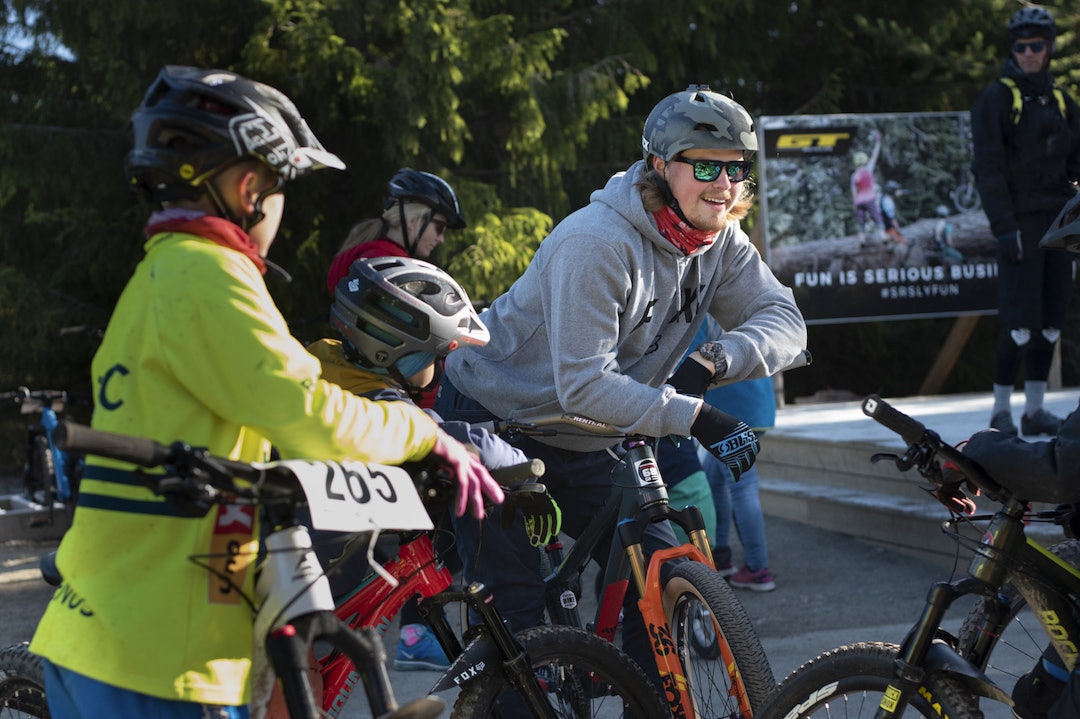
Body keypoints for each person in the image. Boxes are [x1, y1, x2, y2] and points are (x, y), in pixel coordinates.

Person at [28, 65, 503, 719]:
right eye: (283, 187)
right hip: (162, 659)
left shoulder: (157, 275)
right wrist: (430, 436)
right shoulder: (210, 275)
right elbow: (306, 411)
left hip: (107, 634)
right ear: (251, 187)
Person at [433, 83, 806, 678]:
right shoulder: (598, 242)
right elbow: (582, 384)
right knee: (519, 621)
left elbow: (786, 321)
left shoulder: (718, 242)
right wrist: (694, 415)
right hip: (496, 417)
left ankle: (649, 701)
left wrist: (716, 361)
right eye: (705, 165)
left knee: (656, 572)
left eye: (738, 169)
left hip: (583, 432)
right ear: (661, 166)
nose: (725, 185)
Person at [307, 256, 542, 673]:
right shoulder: (379, 401)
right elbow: (449, 438)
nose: (439, 366)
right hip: (311, 583)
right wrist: (527, 472)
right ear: (400, 353)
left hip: (297, 562)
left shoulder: (322, 365)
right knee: (300, 687)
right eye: (435, 355)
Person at [970, 5, 1080, 438]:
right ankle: (1001, 412)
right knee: (1018, 326)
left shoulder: (1061, 100)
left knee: (1051, 321)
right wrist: (1004, 228)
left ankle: (1035, 410)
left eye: (1037, 45)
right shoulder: (997, 99)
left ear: (1049, 48)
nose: (1030, 53)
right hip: (1019, 225)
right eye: (1022, 46)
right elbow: (988, 168)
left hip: (1059, 223)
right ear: (1013, 49)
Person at [325, 168, 466, 295]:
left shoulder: (374, 260)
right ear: (413, 221)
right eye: (439, 228)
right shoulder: (387, 270)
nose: (441, 239)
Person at [851, 130, 884, 246]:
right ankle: (883, 236)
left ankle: (862, 240)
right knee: (877, 217)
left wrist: (855, 204)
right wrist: (878, 142)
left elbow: (854, 192)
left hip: (859, 201)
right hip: (869, 198)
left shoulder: (854, 175)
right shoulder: (869, 169)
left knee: (861, 221)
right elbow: (875, 155)